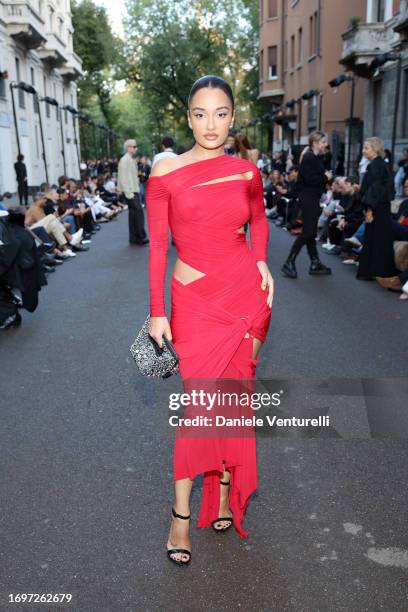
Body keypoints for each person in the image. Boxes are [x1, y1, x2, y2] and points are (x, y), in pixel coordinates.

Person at [146, 75, 274, 567]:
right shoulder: (166, 173)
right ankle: (180, 515)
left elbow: (259, 221)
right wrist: (157, 310)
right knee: (200, 407)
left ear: (233, 115)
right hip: (195, 301)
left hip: (247, 299)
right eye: (201, 113)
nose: (211, 124)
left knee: (232, 404)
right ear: (188, 118)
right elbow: (159, 245)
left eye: (221, 113)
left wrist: (261, 260)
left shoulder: (246, 172)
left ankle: (222, 493)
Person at [281, 131, 332, 278]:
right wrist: (325, 177)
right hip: (309, 199)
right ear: (315, 143)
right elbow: (311, 179)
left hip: (311, 198)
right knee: (308, 232)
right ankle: (289, 262)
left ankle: (315, 262)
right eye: (323, 142)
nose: (325, 145)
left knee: (311, 233)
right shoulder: (310, 158)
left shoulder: (313, 157)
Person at [357, 137, 398, 281]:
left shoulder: (376, 166)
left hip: (377, 208)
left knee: (376, 238)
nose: (363, 151)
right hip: (380, 207)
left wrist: (369, 210)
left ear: (375, 149)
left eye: (366, 148)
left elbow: (375, 190)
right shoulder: (380, 164)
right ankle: (379, 271)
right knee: (379, 238)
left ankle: (375, 271)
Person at [117, 139, 149, 245]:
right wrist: (128, 193)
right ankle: (140, 237)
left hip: (133, 190)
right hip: (131, 191)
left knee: (133, 215)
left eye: (136, 146)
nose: (136, 148)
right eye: (134, 147)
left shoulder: (130, 159)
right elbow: (123, 178)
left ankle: (134, 237)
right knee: (138, 214)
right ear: (128, 148)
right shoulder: (124, 160)